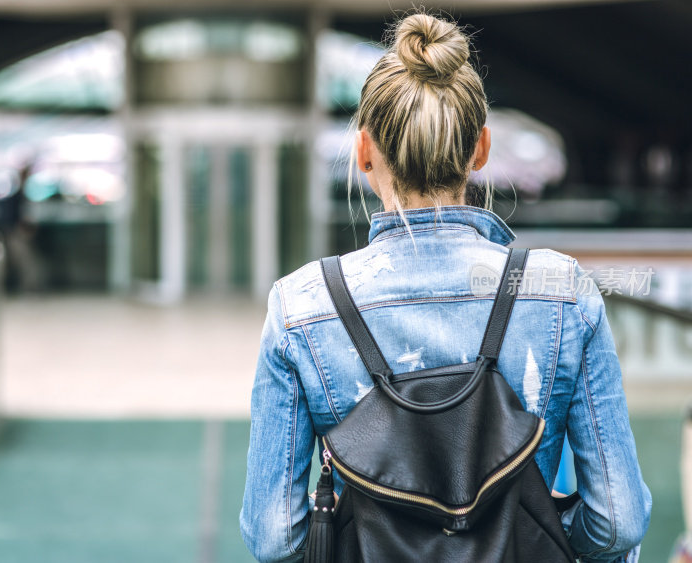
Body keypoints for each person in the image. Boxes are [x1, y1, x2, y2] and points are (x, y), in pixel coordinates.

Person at [240, 12, 651, 563]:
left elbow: (276, 539)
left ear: (365, 153)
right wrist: (537, 522)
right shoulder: (563, 292)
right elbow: (617, 523)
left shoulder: (302, 306)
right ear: (480, 150)